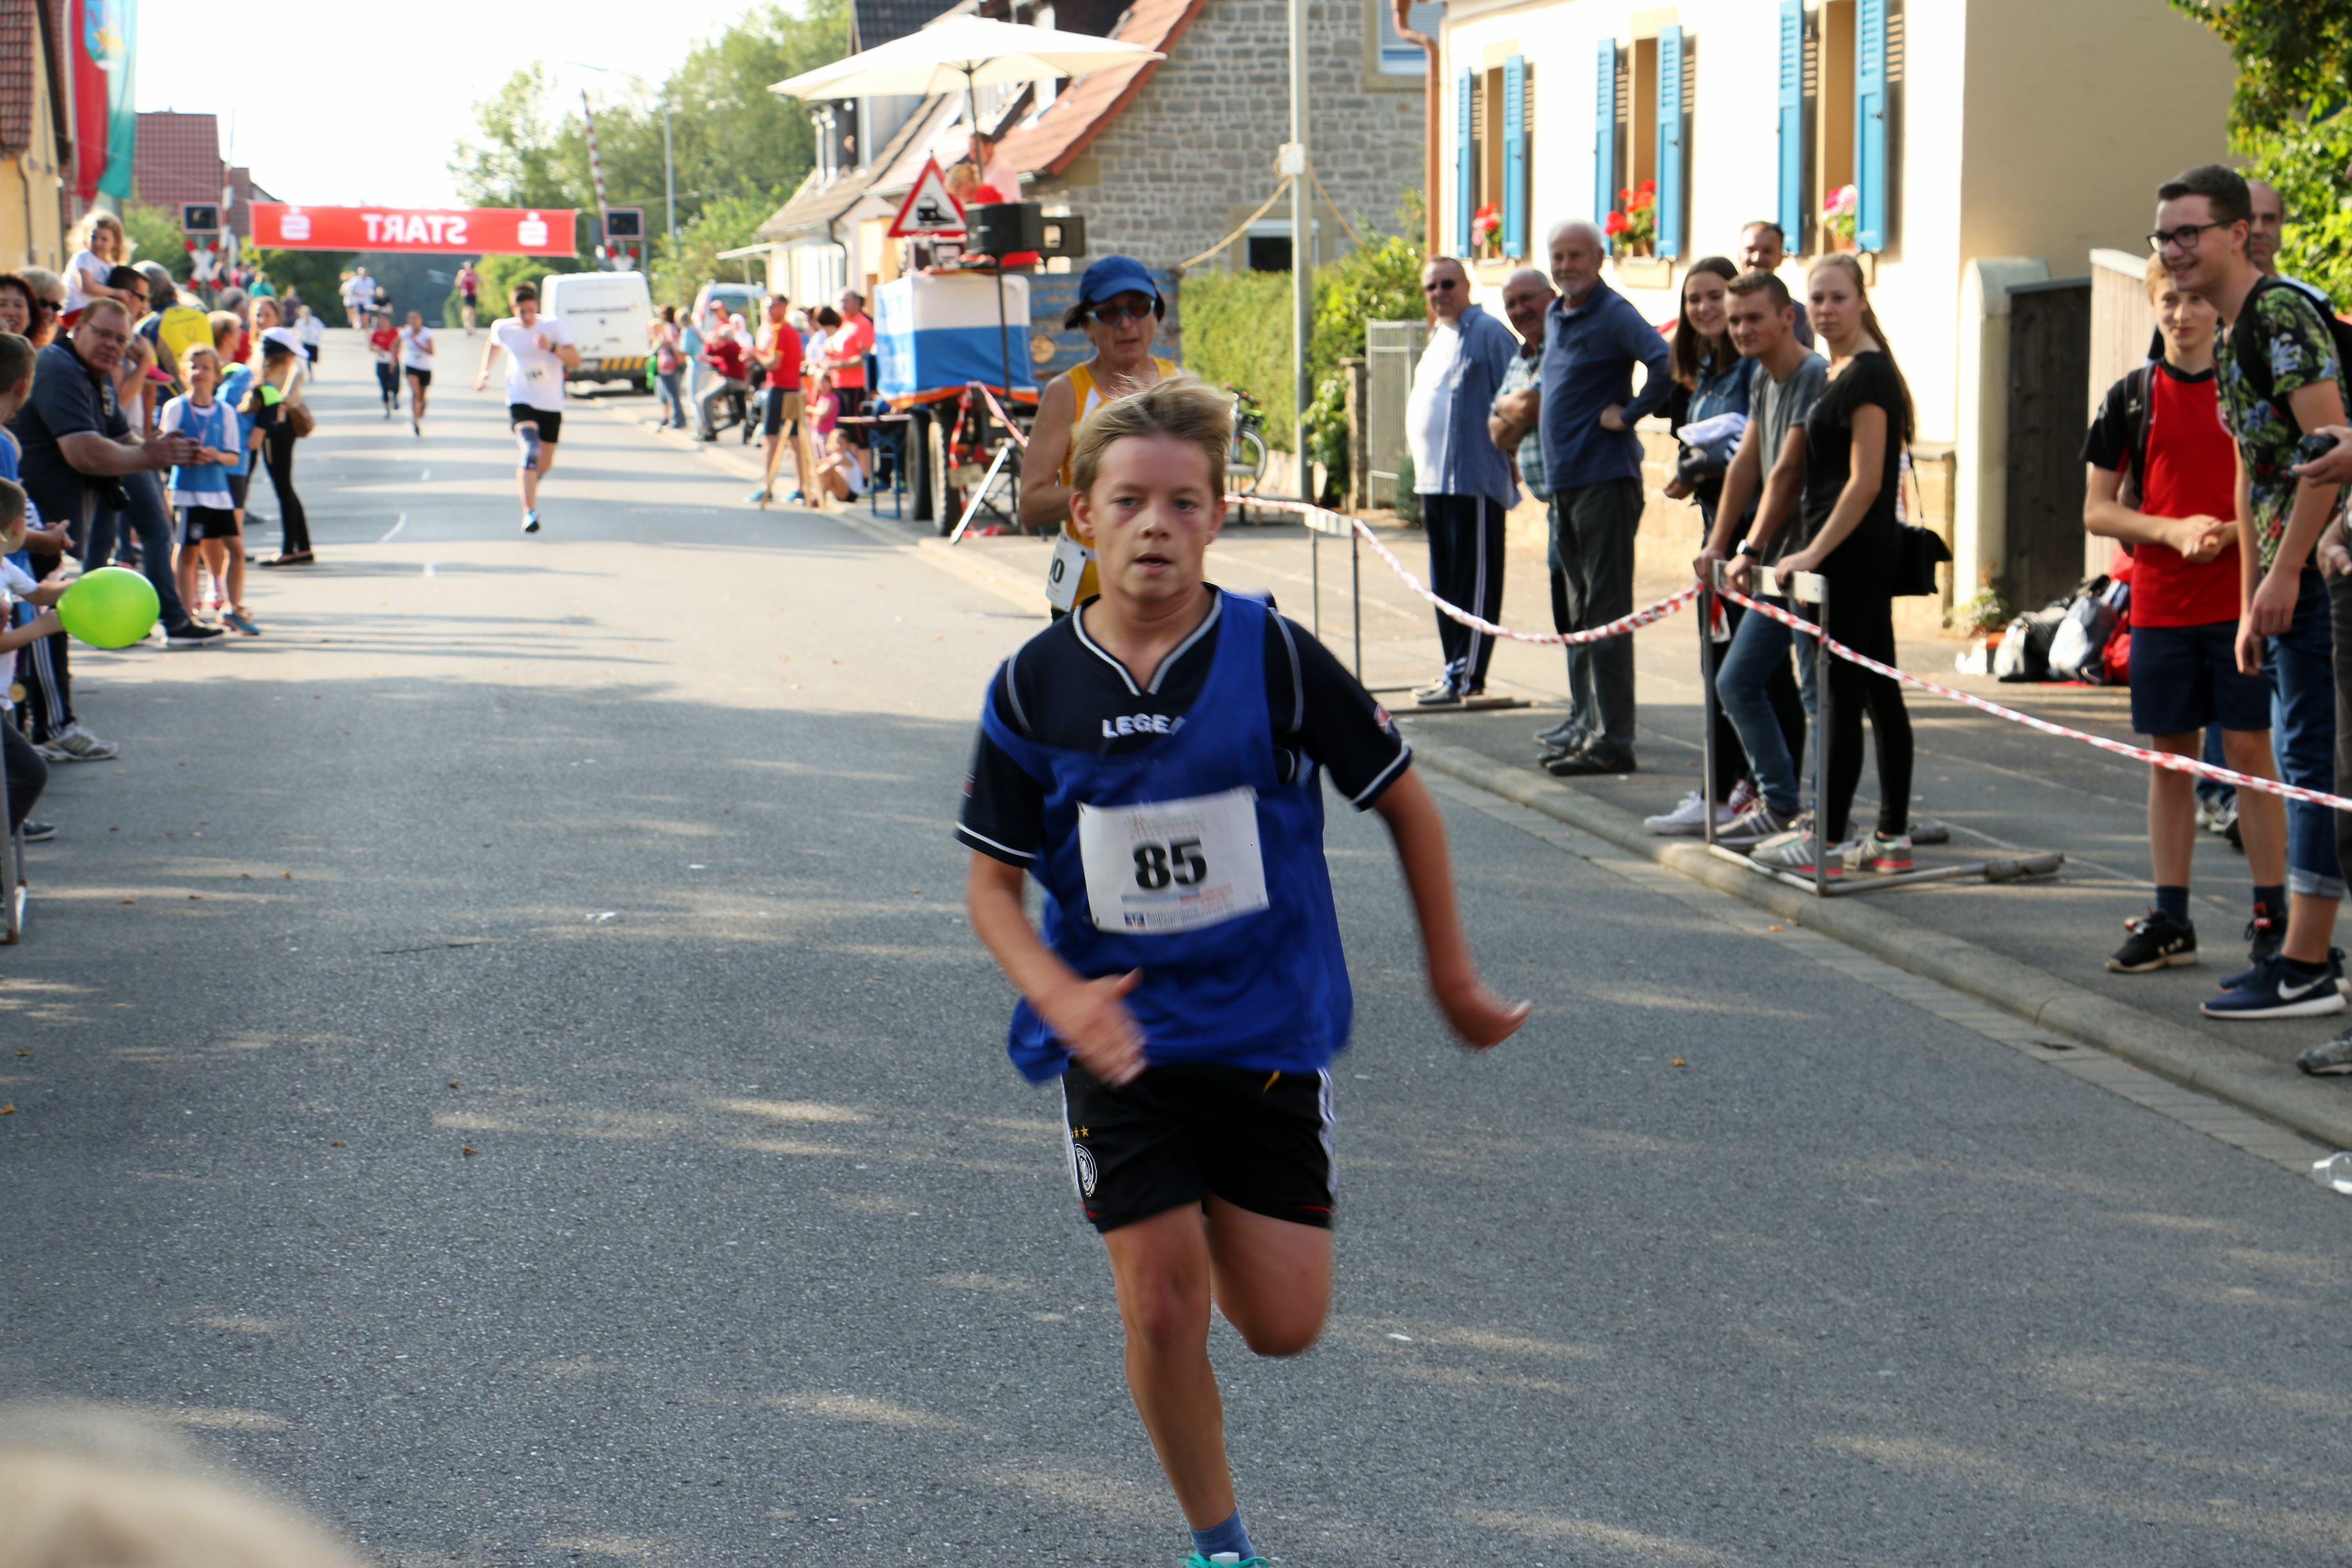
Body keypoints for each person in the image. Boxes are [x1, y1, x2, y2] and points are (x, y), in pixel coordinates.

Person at [957, 377, 1525, 1568]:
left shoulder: (1271, 657)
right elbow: (991, 889)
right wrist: (1058, 994)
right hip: (1120, 1040)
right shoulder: (1033, 686)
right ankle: (1220, 1549)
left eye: (1183, 502)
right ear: (1082, 516)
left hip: (1266, 1032)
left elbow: (1406, 803)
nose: (1154, 526)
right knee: (1162, 1304)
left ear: (1218, 515)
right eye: (1128, 502)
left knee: (1280, 1324)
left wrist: (1452, 980)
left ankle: (1204, 1202)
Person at [2151, 164, 2348, 1021]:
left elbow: (2329, 453)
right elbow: (2248, 473)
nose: (2173, 250)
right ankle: (2297, 956)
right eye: (2164, 236)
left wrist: (2288, 569)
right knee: (2300, 757)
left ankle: (2307, 964)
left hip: (2318, 577)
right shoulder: (2233, 333)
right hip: (2280, 580)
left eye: (2189, 233)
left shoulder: (2278, 315)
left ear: (2238, 234)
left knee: (2311, 762)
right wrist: (2247, 597)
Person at [2081, 252, 2286, 974]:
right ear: (2153, 304)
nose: (2183, 312)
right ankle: (2171, 916)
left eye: (2196, 299)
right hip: (2163, 607)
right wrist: (2169, 532)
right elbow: (2098, 509)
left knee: (2252, 756)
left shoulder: (2250, 390)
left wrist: (2229, 534)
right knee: (2171, 761)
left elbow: (2278, 492)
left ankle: (2272, 916)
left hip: (2241, 605)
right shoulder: (2131, 396)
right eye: (2169, 299)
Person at [1745, 255, 1917, 876]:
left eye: (1838, 297)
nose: (1825, 310)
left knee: (1846, 697)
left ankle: (1834, 840)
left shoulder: (1868, 375)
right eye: (1816, 299)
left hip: (1853, 557)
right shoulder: (1840, 370)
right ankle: (1890, 838)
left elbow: (1866, 482)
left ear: (1862, 300)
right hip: (1847, 555)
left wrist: (1814, 551)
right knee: (1876, 690)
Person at [9, 299, 208, 757]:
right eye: (102, 333)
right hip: (29, 525)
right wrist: (151, 456)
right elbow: (85, 452)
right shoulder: (58, 369)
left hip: (44, 526)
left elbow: (122, 439)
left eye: (121, 340)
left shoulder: (93, 377)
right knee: (40, 626)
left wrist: (167, 451)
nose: (112, 346)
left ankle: (40, 731)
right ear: (78, 328)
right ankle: (52, 730)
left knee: (40, 628)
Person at [1691, 270, 1825, 849]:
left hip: (1810, 561)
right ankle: (1780, 802)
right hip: (1776, 564)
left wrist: (1747, 547)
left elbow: (1789, 471)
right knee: (1739, 681)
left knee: (1818, 698)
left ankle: (1826, 821)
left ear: (1787, 317)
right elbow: (1747, 464)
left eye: (1754, 318)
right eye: (1736, 320)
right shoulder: (1763, 379)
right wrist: (1717, 543)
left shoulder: (1812, 375)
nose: (1742, 329)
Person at [1537, 219, 1673, 775]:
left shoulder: (1613, 312)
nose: (1566, 266)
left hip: (1604, 482)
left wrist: (1632, 412)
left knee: (1605, 615)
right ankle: (1587, 727)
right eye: (1558, 256)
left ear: (1599, 258)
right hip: (1564, 486)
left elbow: (1663, 361)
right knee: (1578, 617)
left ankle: (1614, 742)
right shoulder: (1556, 313)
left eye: (1577, 255)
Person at [1649, 255, 1779, 834]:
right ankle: (1721, 789)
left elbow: (1759, 456)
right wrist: (1691, 470)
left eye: (1713, 296)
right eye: (1693, 299)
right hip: (1716, 535)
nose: (1704, 308)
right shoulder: (1702, 370)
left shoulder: (1754, 371)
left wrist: (1702, 467)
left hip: (1754, 540)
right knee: (1720, 665)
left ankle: (1760, 792)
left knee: (1753, 676)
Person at [1019, 255, 1175, 616]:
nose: (1126, 324)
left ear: (1156, 315)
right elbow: (1030, 505)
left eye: (1139, 308)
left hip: (1170, 599)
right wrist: (1111, 493)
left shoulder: (1180, 388)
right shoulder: (1066, 392)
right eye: (1109, 313)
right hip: (1089, 603)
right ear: (1087, 326)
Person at [1404, 255, 1520, 706]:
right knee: (1446, 587)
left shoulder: (1488, 333)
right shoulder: (1439, 334)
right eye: (1431, 287)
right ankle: (1452, 669)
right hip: (1434, 483)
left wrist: (1515, 457)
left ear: (1467, 285)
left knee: (1474, 584)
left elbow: (1518, 395)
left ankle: (1469, 676)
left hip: (1473, 481)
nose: (1440, 293)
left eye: (1448, 283)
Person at [474, 280, 579, 534]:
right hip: (520, 399)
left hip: (551, 403)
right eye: (523, 312)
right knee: (531, 450)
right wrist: (485, 371)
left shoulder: (553, 326)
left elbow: (576, 360)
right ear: (514, 309)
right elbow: (493, 342)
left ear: (537, 307)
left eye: (532, 311)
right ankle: (529, 512)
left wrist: (552, 347)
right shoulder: (504, 328)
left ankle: (529, 484)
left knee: (545, 463)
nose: (528, 316)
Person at [161, 346, 246, 632]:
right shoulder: (176, 408)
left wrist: (215, 455)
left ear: (217, 375)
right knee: (188, 551)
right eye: (194, 367)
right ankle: (186, 613)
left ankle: (233, 607)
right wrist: (186, 454)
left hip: (219, 492)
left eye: (206, 368)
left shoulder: (226, 412)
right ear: (184, 373)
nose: (199, 373)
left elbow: (233, 456)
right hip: (188, 491)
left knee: (236, 549)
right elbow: (164, 449)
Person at [0, 476, 59, 843]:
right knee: (28, 774)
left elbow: (38, 592)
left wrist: (88, 588)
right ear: (19, 526)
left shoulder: (5, 567)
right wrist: (42, 627)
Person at [247, 302, 313, 567]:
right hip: (280, 427)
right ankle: (303, 546)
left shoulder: (279, 370)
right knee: (285, 486)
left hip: (278, 428)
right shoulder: (276, 366)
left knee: (283, 486)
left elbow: (294, 379)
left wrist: (278, 400)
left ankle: (289, 548)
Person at [207, 309, 259, 633]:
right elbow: (231, 413)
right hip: (226, 464)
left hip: (225, 463)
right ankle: (223, 597)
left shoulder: (227, 371)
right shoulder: (238, 375)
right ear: (227, 335)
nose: (242, 336)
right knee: (225, 541)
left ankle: (223, 596)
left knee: (215, 540)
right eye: (237, 330)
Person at [747, 293, 810, 505]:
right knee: (794, 439)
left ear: (783, 306)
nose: (767, 311)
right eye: (765, 307)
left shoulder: (780, 329)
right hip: (792, 387)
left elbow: (774, 363)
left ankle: (767, 487)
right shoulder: (790, 330)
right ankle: (800, 487)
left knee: (771, 438)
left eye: (771, 306)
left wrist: (755, 354)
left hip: (780, 388)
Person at [1736, 220, 1814, 348]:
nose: (1758, 258)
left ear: (1781, 258)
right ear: (1739, 256)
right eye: (1751, 250)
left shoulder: (1798, 313)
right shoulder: (1720, 309)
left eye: (1768, 251)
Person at [59, 211, 130, 328]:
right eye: (93, 237)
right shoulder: (84, 256)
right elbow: (87, 286)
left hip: (91, 311)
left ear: (115, 242)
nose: (97, 243)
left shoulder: (109, 266)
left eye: (104, 239)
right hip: (76, 309)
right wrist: (116, 292)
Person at [826, 289, 874, 444]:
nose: (842, 305)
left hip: (855, 386)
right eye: (840, 301)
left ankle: (863, 460)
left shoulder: (863, 324)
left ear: (857, 302)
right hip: (840, 385)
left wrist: (839, 365)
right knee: (844, 433)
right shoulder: (844, 324)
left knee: (858, 434)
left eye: (845, 301)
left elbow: (864, 357)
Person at [694, 319, 752, 442]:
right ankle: (707, 428)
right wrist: (707, 360)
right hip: (729, 379)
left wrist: (710, 340)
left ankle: (708, 429)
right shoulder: (731, 346)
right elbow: (721, 362)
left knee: (704, 399)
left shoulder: (731, 345)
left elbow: (710, 351)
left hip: (732, 381)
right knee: (702, 398)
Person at [649, 305, 687, 429]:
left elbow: (674, 344)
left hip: (670, 365)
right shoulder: (673, 327)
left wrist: (679, 359)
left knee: (673, 394)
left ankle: (678, 420)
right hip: (670, 364)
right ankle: (678, 419)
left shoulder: (670, 328)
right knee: (672, 394)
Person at [398, 309, 435, 436]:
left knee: (422, 395)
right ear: (408, 321)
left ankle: (423, 404)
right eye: (411, 318)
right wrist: (393, 358)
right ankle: (415, 421)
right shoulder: (406, 333)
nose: (414, 321)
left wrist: (419, 344)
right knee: (415, 393)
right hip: (411, 366)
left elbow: (432, 351)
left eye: (416, 318)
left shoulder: (427, 333)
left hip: (425, 368)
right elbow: (395, 344)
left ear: (420, 320)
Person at [812, 427, 867, 503]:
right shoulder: (835, 456)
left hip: (851, 494)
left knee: (830, 470)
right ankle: (819, 497)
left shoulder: (845, 457)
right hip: (840, 490)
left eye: (841, 443)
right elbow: (819, 464)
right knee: (827, 473)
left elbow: (825, 469)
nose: (838, 446)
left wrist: (815, 472)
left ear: (847, 445)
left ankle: (819, 498)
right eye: (836, 443)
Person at [368, 310, 401, 417]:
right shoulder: (376, 333)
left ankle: (395, 397)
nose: (382, 322)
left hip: (393, 360)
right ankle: (387, 409)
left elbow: (398, 346)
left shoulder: (394, 332)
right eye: (380, 320)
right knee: (384, 386)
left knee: (395, 384)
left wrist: (393, 360)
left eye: (384, 320)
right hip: (381, 362)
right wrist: (376, 348)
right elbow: (371, 346)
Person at [456, 260, 482, 333]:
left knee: (469, 309)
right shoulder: (468, 273)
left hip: (469, 293)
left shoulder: (468, 273)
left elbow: (458, 283)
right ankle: (469, 325)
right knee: (469, 310)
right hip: (469, 293)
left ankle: (470, 325)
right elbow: (480, 282)